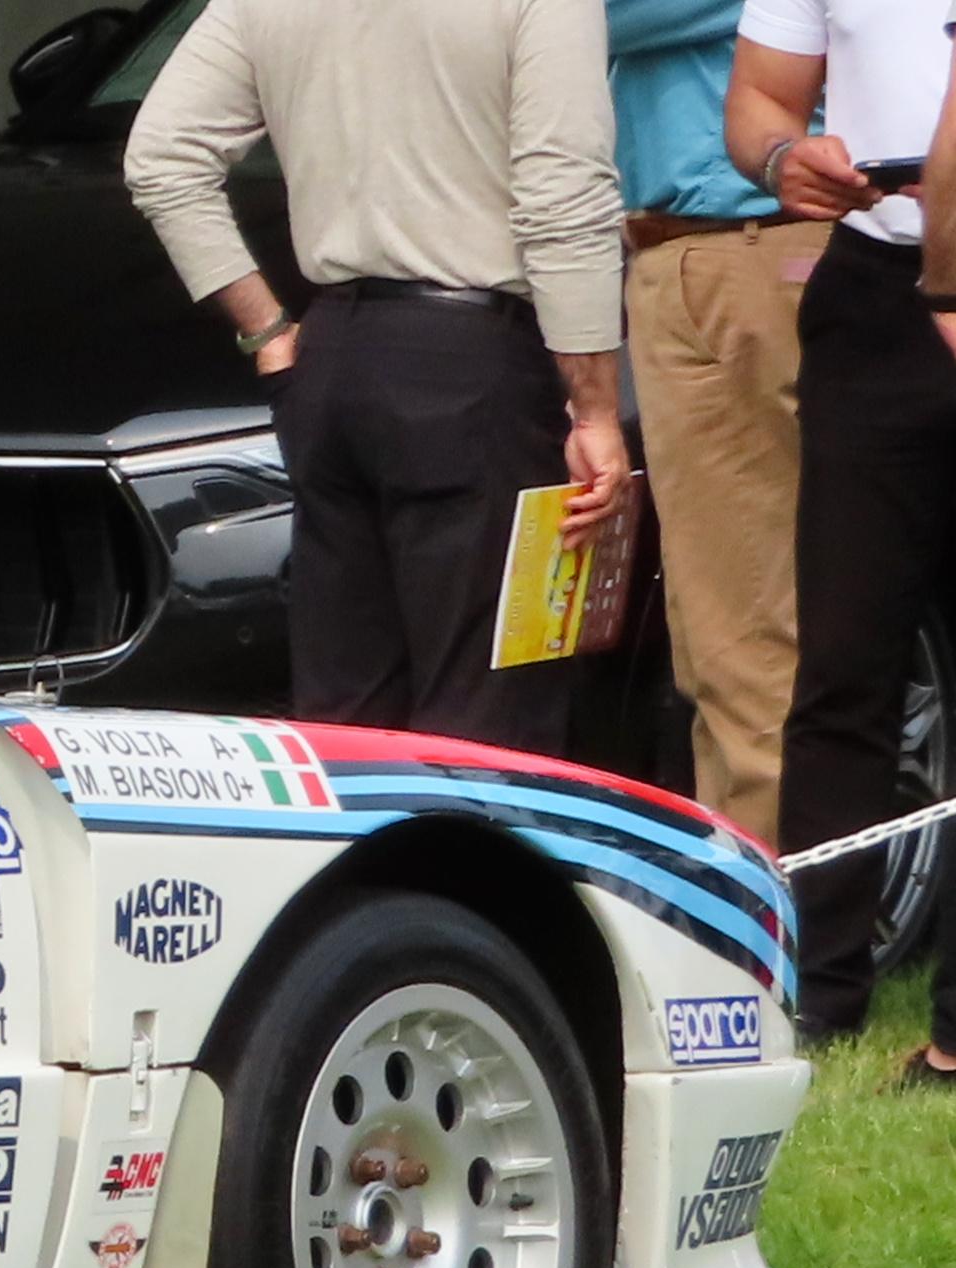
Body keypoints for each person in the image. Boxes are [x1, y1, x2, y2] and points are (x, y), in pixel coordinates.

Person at [127, 0, 635, 761]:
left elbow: (159, 156)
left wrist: (265, 328)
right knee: (491, 729)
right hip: (477, 366)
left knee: (346, 731)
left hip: (332, 356)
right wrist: (594, 407)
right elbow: (564, 194)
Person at [733, 0, 953, 1062]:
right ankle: (818, 989)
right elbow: (757, 101)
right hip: (875, 286)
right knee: (843, 658)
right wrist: (786, 157)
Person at [621, 0, 828, 845]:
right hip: (757, 246)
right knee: (738, 633)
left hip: (738, 242)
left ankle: (769, 909)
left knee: (743, 635)